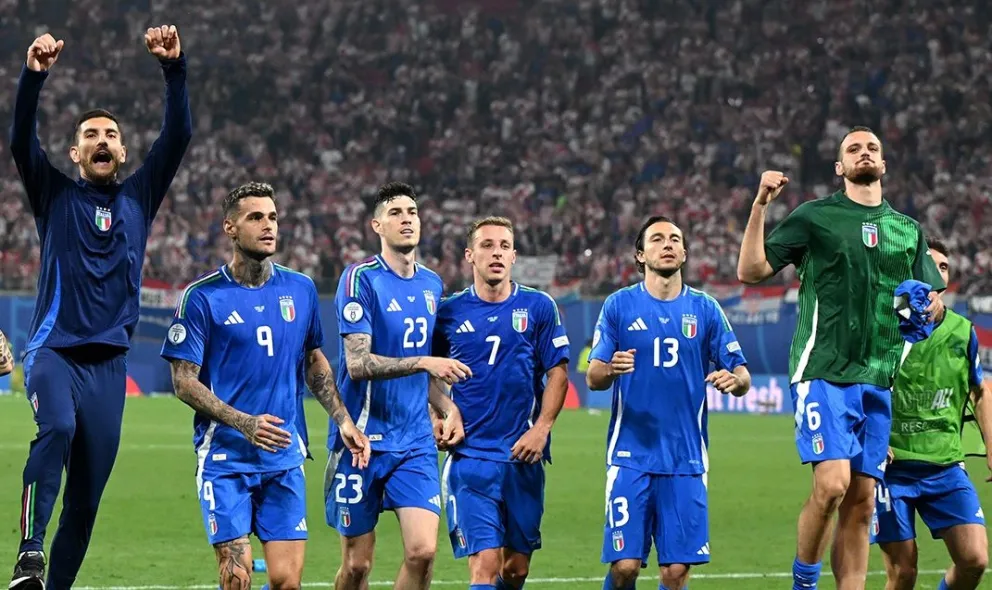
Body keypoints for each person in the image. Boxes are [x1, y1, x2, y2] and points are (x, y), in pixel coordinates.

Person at [8, 27, 193, 590]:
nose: (103, 140)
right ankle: (29, 552)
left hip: (109, 367)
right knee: (56, 426)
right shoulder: (54, 194)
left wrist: (174, 69)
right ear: (76, 152)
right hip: (54, 352)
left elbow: (178, 135)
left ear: (123, 150)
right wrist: (34, 76)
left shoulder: (140, 196)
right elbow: (20, 140)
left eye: (111, 133)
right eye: (91, 134)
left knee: (86, 505)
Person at [736, 125, 947, 590]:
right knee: (832, 485)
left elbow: (932, 301)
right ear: (840, 167)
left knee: (862, 501)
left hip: (879, 377)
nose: (864, 152)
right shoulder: (816, 217)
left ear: (884, 164)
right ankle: (804, 582)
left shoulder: (908, 231)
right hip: (823, 369)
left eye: (872, 147)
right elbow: (750, 270)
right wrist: (760, 206)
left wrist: (932, 308)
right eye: (853, 148)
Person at [160, 182, 370, 590]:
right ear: (230, 228)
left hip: (283, 458)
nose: (268, 225)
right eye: (255, 217)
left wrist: (343, 419)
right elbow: (183, 382)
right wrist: (244, 423)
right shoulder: (203, 298)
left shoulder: (301, 289)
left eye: (272, 216)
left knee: (286, 583)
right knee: (237, 581)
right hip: (225, 459)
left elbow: (313, 360)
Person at [587, 215, 751, 590]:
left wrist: (735, 381)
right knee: (625, 566)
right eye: (657, 238)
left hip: (686, 457)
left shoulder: (706, 309)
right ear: (640, 254)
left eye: (674, 239)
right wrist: (611, 369)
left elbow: (742, 374)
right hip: (630, 456)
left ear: (684, 252)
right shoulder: (619, 306)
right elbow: (594, 377)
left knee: (675, 573)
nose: (667, 244)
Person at [329, 181, 470, 590]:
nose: (406, 218)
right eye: (395, 213)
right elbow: (357, 364)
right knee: (357, 566)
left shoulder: (431, 284)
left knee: (423, 552)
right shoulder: (360, 280)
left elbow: (421, 375)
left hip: (415, 442)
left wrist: (446, 406)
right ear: (377, 225)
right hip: (361, 441)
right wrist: (425, 361)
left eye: (412, 211)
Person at [433, 216, 571, 590]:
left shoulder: (539, 307)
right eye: (487, 245)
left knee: (515, 571)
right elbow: (428, 374)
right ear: (469, 255)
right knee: (485, 566)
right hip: (471, 458)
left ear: (514, 256)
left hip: (522, 457)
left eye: (504, 246)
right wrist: (441, 412)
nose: (496, 252)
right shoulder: (447, 313)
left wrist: (542, 429)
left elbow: (557, 372)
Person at [871, 238, 991, 590]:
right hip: (892, 469)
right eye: (929, 266)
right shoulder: (885, 331)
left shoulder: (962, 332)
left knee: (974, 561)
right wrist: (872, 438)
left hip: (946, 466)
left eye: (943, 267)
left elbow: (979, 391)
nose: (937, 274)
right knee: (903, 573)